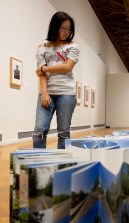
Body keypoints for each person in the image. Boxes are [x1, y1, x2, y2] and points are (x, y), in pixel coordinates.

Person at [32, 11, 79, 149]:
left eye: (69, 29)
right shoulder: (42, 48)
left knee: (64, 133)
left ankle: (63, 166)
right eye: (63, 28)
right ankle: (39, 166)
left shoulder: (73, 46)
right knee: (39, 131)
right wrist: (44, 93)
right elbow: (41, 76)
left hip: (67, 94)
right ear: (55, 26)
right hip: (47, 92)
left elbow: (68, 67)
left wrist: (45, 69)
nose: (67, 32)